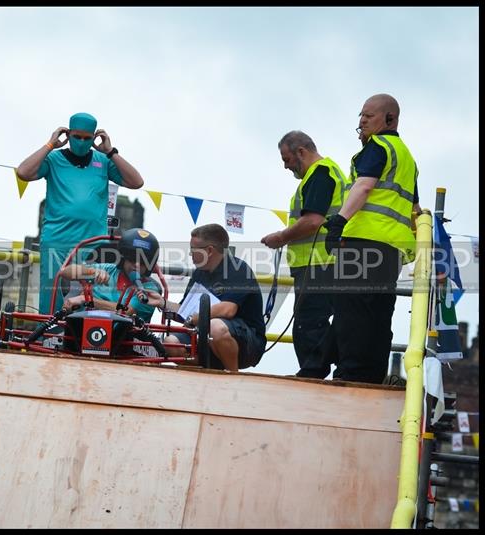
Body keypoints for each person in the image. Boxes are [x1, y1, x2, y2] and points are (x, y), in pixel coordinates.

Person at [323, 93, 420, 384]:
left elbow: (364, 187)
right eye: (361, 116)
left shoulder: (377, 147)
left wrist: (339, 221)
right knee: (378, 315)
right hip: (390, 250)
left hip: (362, 242)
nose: (362, 121)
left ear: (389, 119)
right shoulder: (407, 158)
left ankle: (350, 376)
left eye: (369, 115)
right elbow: (414, 207)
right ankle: (372, 377)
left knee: (351, 312)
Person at [15, 112, 145, 314]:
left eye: (87, 138)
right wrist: (50, 145)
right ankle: (48, 335)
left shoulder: (103, 161)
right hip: (57, 239)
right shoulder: (54, 159)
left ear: (95, 138)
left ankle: (81, 338)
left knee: (90, 293)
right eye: (77, 137)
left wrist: (111, 152)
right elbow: (23, 172)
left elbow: (136, 182)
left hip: (92, 242)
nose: (82, 142)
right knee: (52, 293)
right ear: (68, 134)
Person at [260, 131, 350, 379]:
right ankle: (332, 366)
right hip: (327, 261)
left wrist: (280, 237)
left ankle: (313, 372)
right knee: (322, 320)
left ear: (301, 151)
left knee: (309, 320)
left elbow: (312, 221)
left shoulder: (319, 174)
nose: (286, 166)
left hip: (318, 262)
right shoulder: (331, 172)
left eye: (286, 159)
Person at [145, 224, 266, 372]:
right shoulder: (199, 274)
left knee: (215, 327)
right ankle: (206, 376)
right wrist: (162, 302)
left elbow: (228, 310)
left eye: (193, 250)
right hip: (206, 338)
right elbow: (185, 312)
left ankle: (233, 377)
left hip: (247, 343)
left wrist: (196, 319)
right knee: (171, 343)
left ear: (209, 251)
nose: (190, 254)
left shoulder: (238, 269)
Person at [59, 228, 162, 323]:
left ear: (150, 265)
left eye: (143, 261)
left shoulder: (149, 289)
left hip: (123, 337)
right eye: (132, 258)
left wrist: (85, 300)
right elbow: (65, 272)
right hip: (82, 327)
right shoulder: (108, 269)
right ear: (123, 258)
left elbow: (126, 312)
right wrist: (91, 272)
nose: (137, 265)